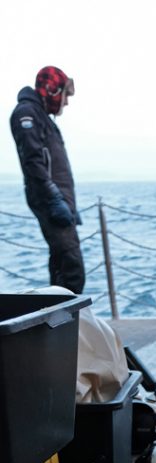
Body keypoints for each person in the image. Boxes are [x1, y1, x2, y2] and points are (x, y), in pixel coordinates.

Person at [10, 66, 85, 294]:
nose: (66, 102)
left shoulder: (42, 116)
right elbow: (33, 161)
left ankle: (58, 325)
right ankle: (68, 324)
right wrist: (53, 198)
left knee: (61, 264)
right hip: (49, 200)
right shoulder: (27, 114)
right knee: (72, 266)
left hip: (60, 201)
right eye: (64, 95)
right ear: (52, 90)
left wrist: (69, 206)